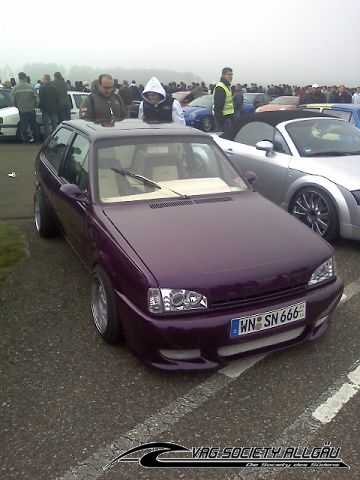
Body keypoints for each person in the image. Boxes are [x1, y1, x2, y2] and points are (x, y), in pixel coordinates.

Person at [11, 71, 40, 143]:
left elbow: (13, 100)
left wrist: (17, 106)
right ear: (25, 77)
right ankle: (37, 140)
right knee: (34, 125)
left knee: (24, 126)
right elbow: (37, 99)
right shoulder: (31, 87)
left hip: (22, 109)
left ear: (19, 78)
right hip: (31, 109)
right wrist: (35, 106)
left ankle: (26, 140)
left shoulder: (15, 88)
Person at [39, 74, 59, 139]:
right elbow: (57, 99)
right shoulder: (54, 88)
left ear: (45, 79)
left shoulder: (42, 87)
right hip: (53, 108)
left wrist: (40, 106)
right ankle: (55, 139)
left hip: (45, 109)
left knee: (46, 126)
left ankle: (47, 139)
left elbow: (41, 99)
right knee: (54, 126)